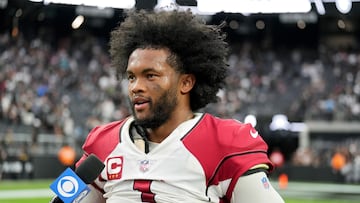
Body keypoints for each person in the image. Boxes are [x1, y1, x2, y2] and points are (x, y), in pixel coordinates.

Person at [71, 9, 285, 203]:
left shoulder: (225, 143)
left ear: (186, 82)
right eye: (131, 77)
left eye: (150, 76)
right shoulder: (101, 142)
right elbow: (65, 199)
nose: (136, 87)